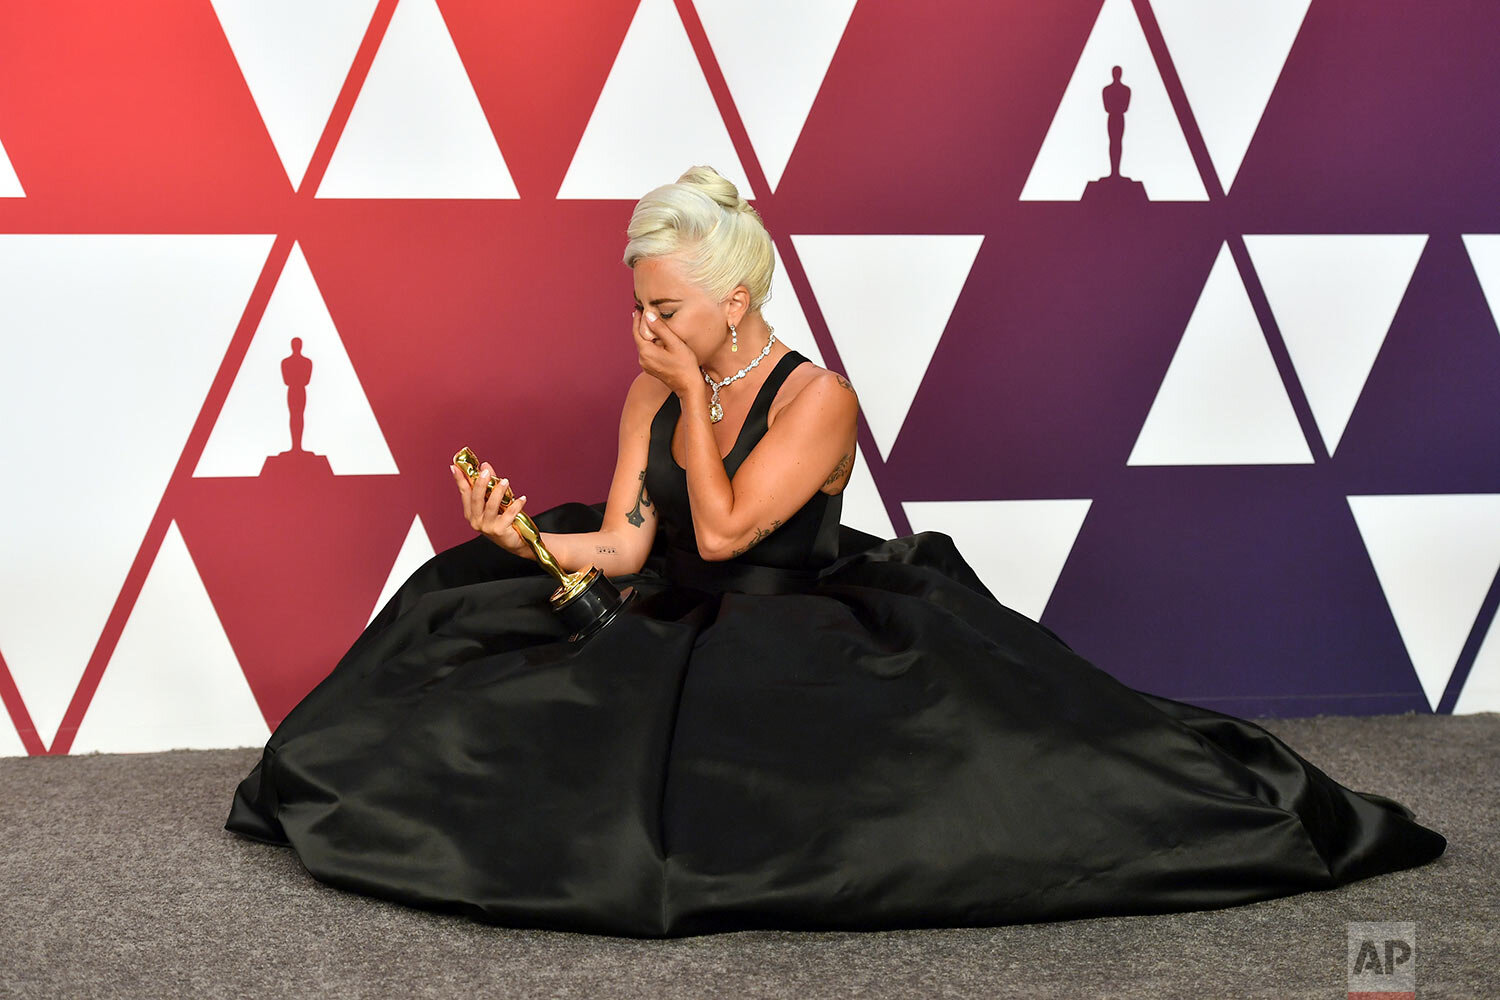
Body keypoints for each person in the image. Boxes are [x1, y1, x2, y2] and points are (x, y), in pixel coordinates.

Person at [226, 166, 1446, 938]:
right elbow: (630, 541)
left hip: (793, 617)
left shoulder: (819, 399)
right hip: (669, 610)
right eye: (638, 308)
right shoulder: (651, 387)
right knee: (460, 634)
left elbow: (723, 530)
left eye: (665, 308)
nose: (642, 328)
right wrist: (524, 535)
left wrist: (694, 394)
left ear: (735, 305)